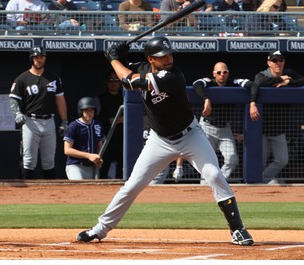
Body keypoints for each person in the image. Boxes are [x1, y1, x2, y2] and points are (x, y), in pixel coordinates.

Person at [76, 36, 254, 246]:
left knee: (214, 175)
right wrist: (121, 56)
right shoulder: (142, 67)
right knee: (132, 186)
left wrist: (113, 59)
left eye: (169, 54)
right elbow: (128, 69)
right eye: (162, 56)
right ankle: (100, 229)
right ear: (151, 59)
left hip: (190, 135)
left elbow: (128, 81)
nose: (168, 59)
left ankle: (238, 229)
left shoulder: (173, 75)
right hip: (159, 140)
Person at [174, 62, 260, 181]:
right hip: (207, 127)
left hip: (225, 129)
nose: (222, 75)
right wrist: (206, 99)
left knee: (232, 159)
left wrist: (252, 102)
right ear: (214, 74)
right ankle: (204, 185)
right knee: (206, 160)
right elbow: (196, 84)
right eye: (219, 72)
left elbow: (253, 85)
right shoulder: (209, 82)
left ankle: (218, 181)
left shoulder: (233, 83)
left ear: (228, 73)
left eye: (224, 72)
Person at [9, 46, 68, 179]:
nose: (39, 59)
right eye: (36, 57)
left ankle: (49, 194)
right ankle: (28, 195)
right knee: (29, 160)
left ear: (45, 58)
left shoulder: (53, 77)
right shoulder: (22, 78)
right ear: (31, 58)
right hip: (30, 121)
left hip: (49, 121)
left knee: (49, 161)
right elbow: (13, 99)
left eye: (41, 56)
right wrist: (17, 112)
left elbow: (60, 100)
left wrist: (64, 120)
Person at [254, 50, 304, 184]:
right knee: (261, 161)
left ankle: (263, 180)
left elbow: (301, 80)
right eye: (275, 61)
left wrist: (289, 81)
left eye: (280, 60)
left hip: (278, 128)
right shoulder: (263, 74)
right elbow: (258, 82)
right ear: (269, 62)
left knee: (282, 160)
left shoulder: (289, 73)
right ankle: (257, 188)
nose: (278, 63)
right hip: (262, 128)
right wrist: (280, 79)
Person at [63, 97, 105, 180]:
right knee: (79, 188)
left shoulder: (98, 125)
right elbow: (67, 150)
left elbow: (99, 144)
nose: (89, 112)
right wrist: (88, 155)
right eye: (86, 110)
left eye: (91, 110)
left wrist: (99, 158)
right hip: (76, 165)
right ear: (81, 111)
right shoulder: (74, 126)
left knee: (91, 191)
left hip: (92, 166)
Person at [95, 71, 124, 179]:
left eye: (116, 80)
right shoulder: (100, 98)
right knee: (103, 167)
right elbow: (95, 118)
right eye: (111, 80)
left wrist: (125, 119)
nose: (114, 83)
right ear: (106, 83)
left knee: (122, 169)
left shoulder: (125, 98)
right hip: (106, 139)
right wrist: (109, 120)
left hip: (123, 140)